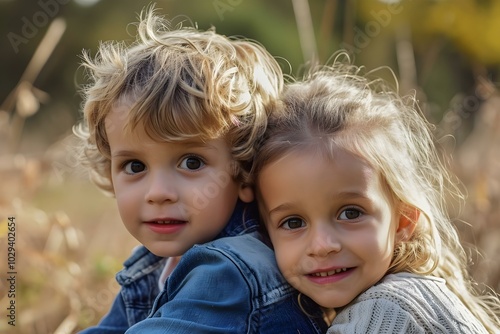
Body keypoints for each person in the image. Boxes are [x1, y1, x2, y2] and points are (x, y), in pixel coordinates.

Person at [75, 7, 327, 334]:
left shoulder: (232, 271)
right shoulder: (155, 262)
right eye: (134, 166)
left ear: (245, 170)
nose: (158, 193)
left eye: (191, 162)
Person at [253, 61, 500, 333]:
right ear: (265, 233)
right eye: (293, 222)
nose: (322, 245)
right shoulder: (411, 293)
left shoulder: (385, 310)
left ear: (403, 221)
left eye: (350, 213)